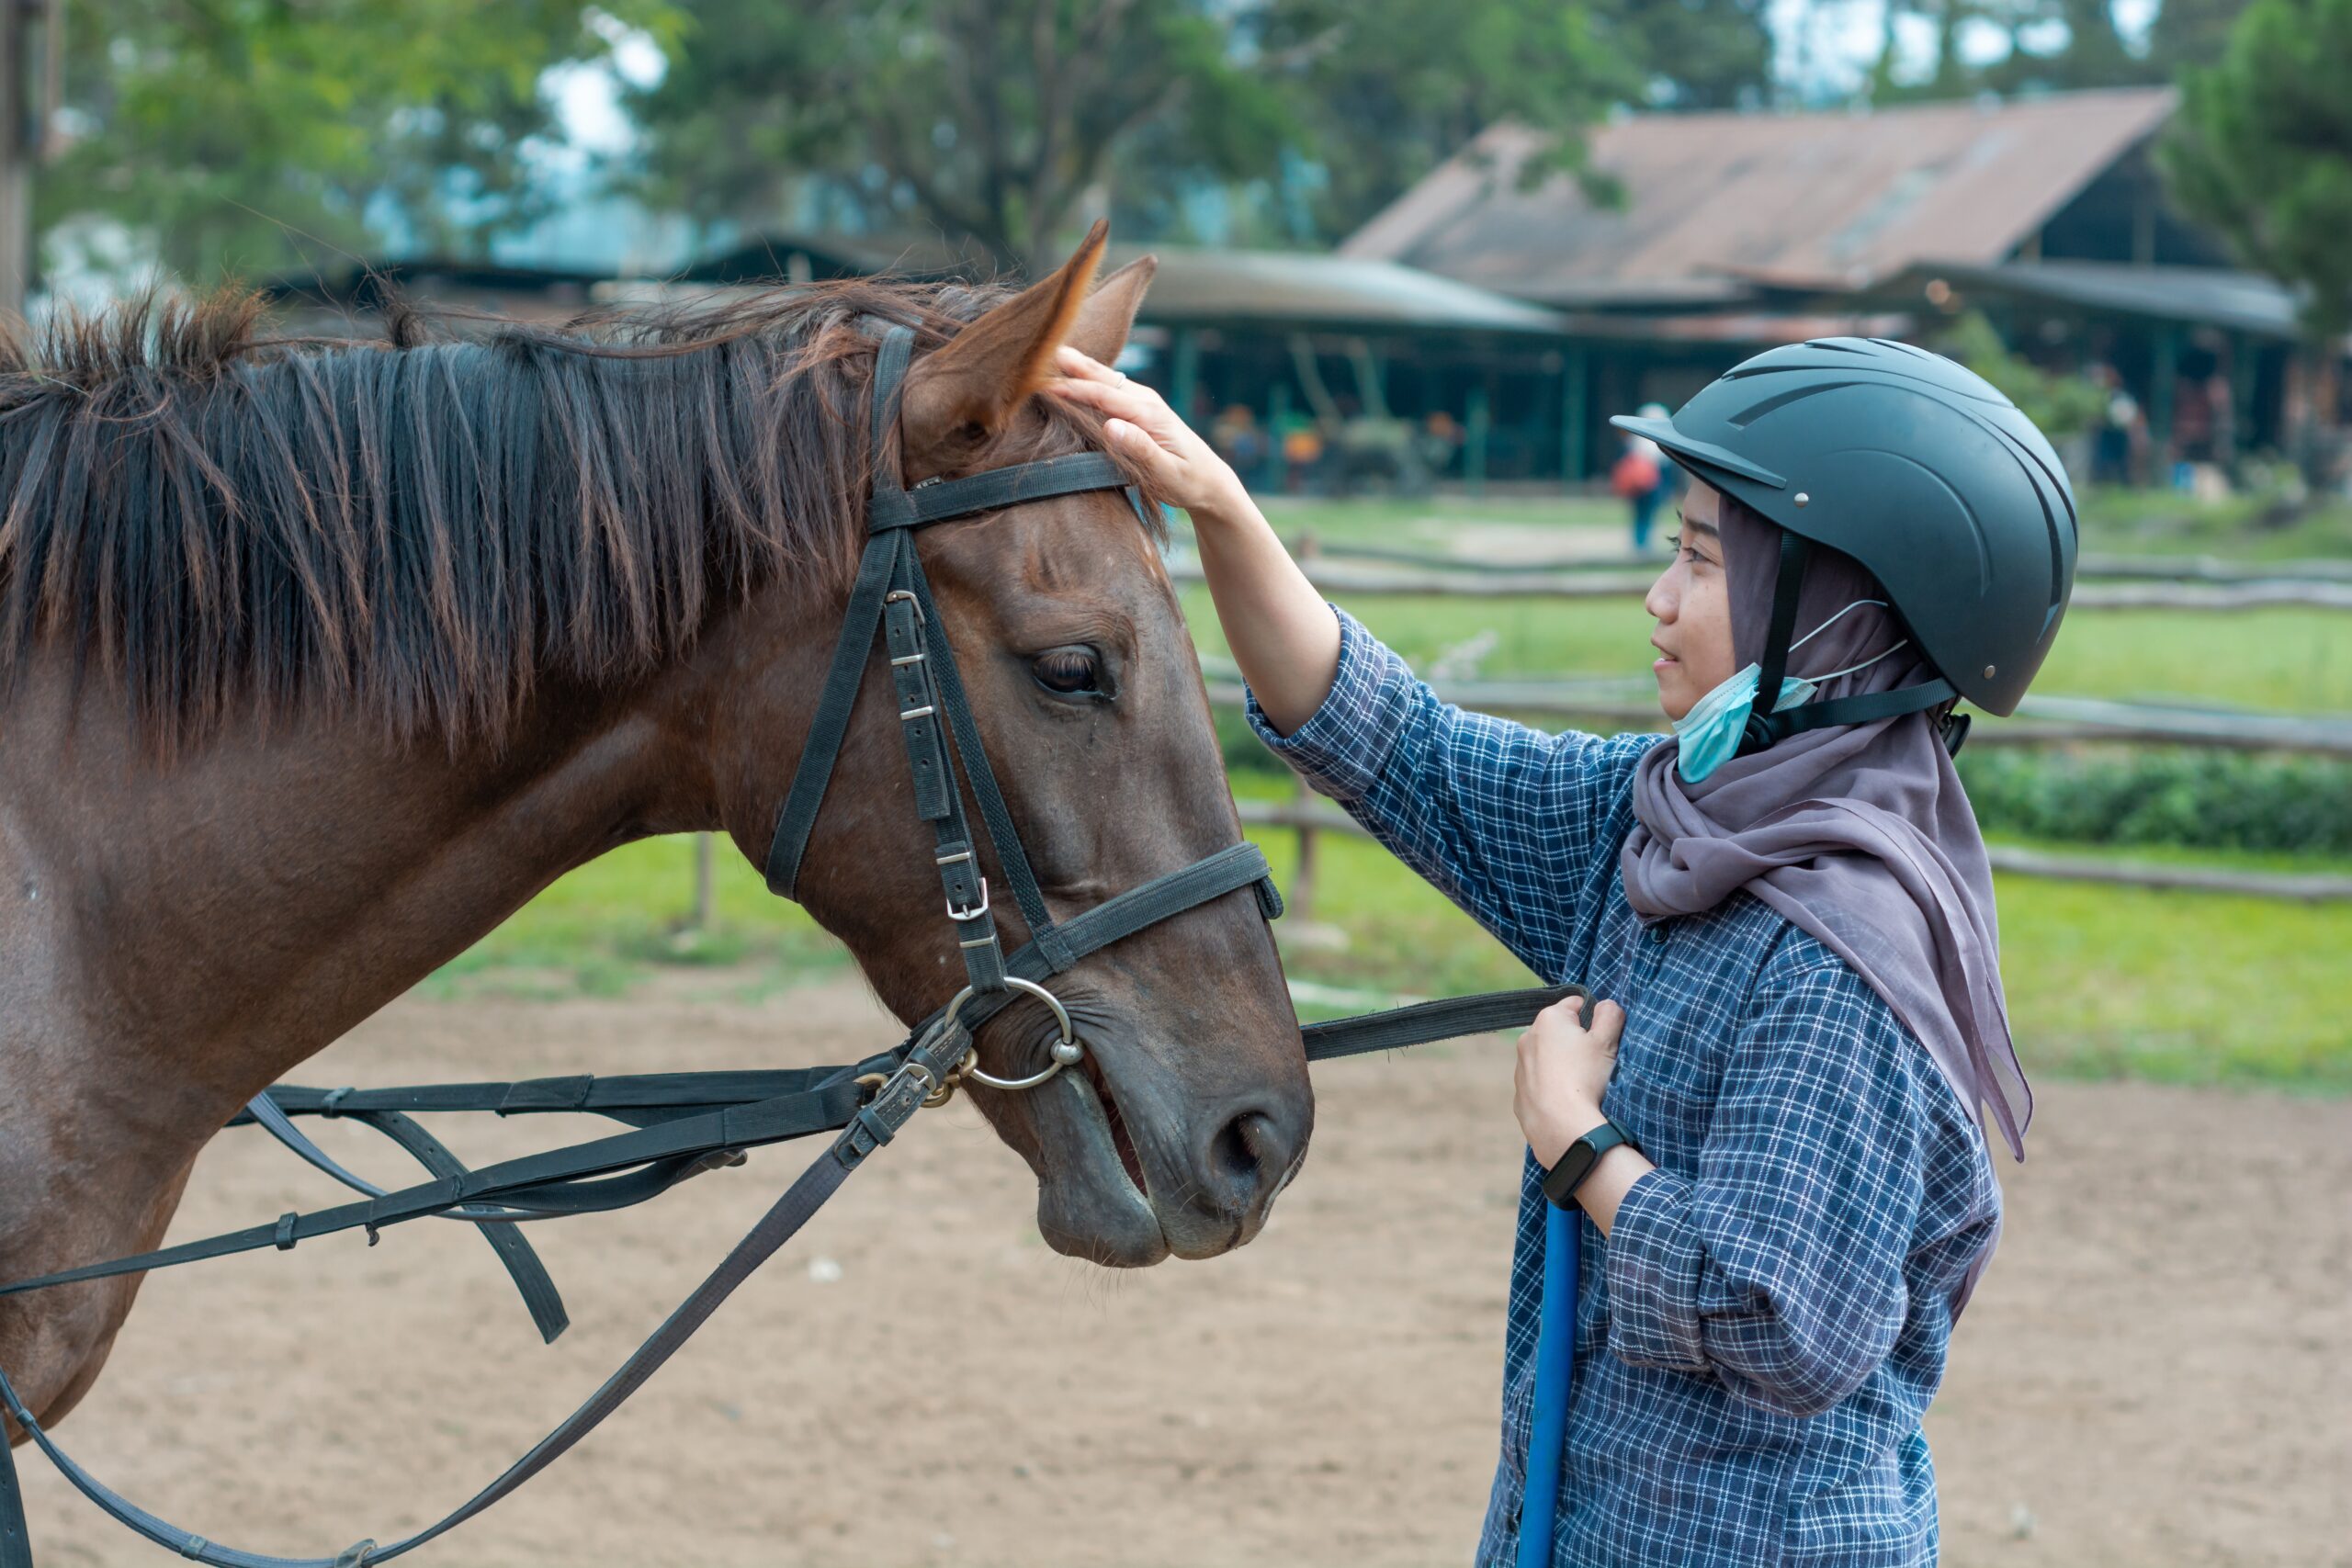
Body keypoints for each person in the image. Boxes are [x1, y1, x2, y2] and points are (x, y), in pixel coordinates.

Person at [1049, 335, 2076, 1567]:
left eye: (1701, 558)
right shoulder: (1665, 826)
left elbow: (1789, 1323)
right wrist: (1220, 505)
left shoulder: (1842, 958)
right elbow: (1397, 745)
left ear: (1841, 620)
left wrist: (1581, 1144)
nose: (1659, 596)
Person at [1611, 401, 1671, 551]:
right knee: (1648, 515)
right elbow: (1664, 465)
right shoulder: (1659, 440)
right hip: (1650, 484)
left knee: (1639, 515)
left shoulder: (1635, 438)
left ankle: (1639, 544)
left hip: (1638, 485)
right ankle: (1643, 545)